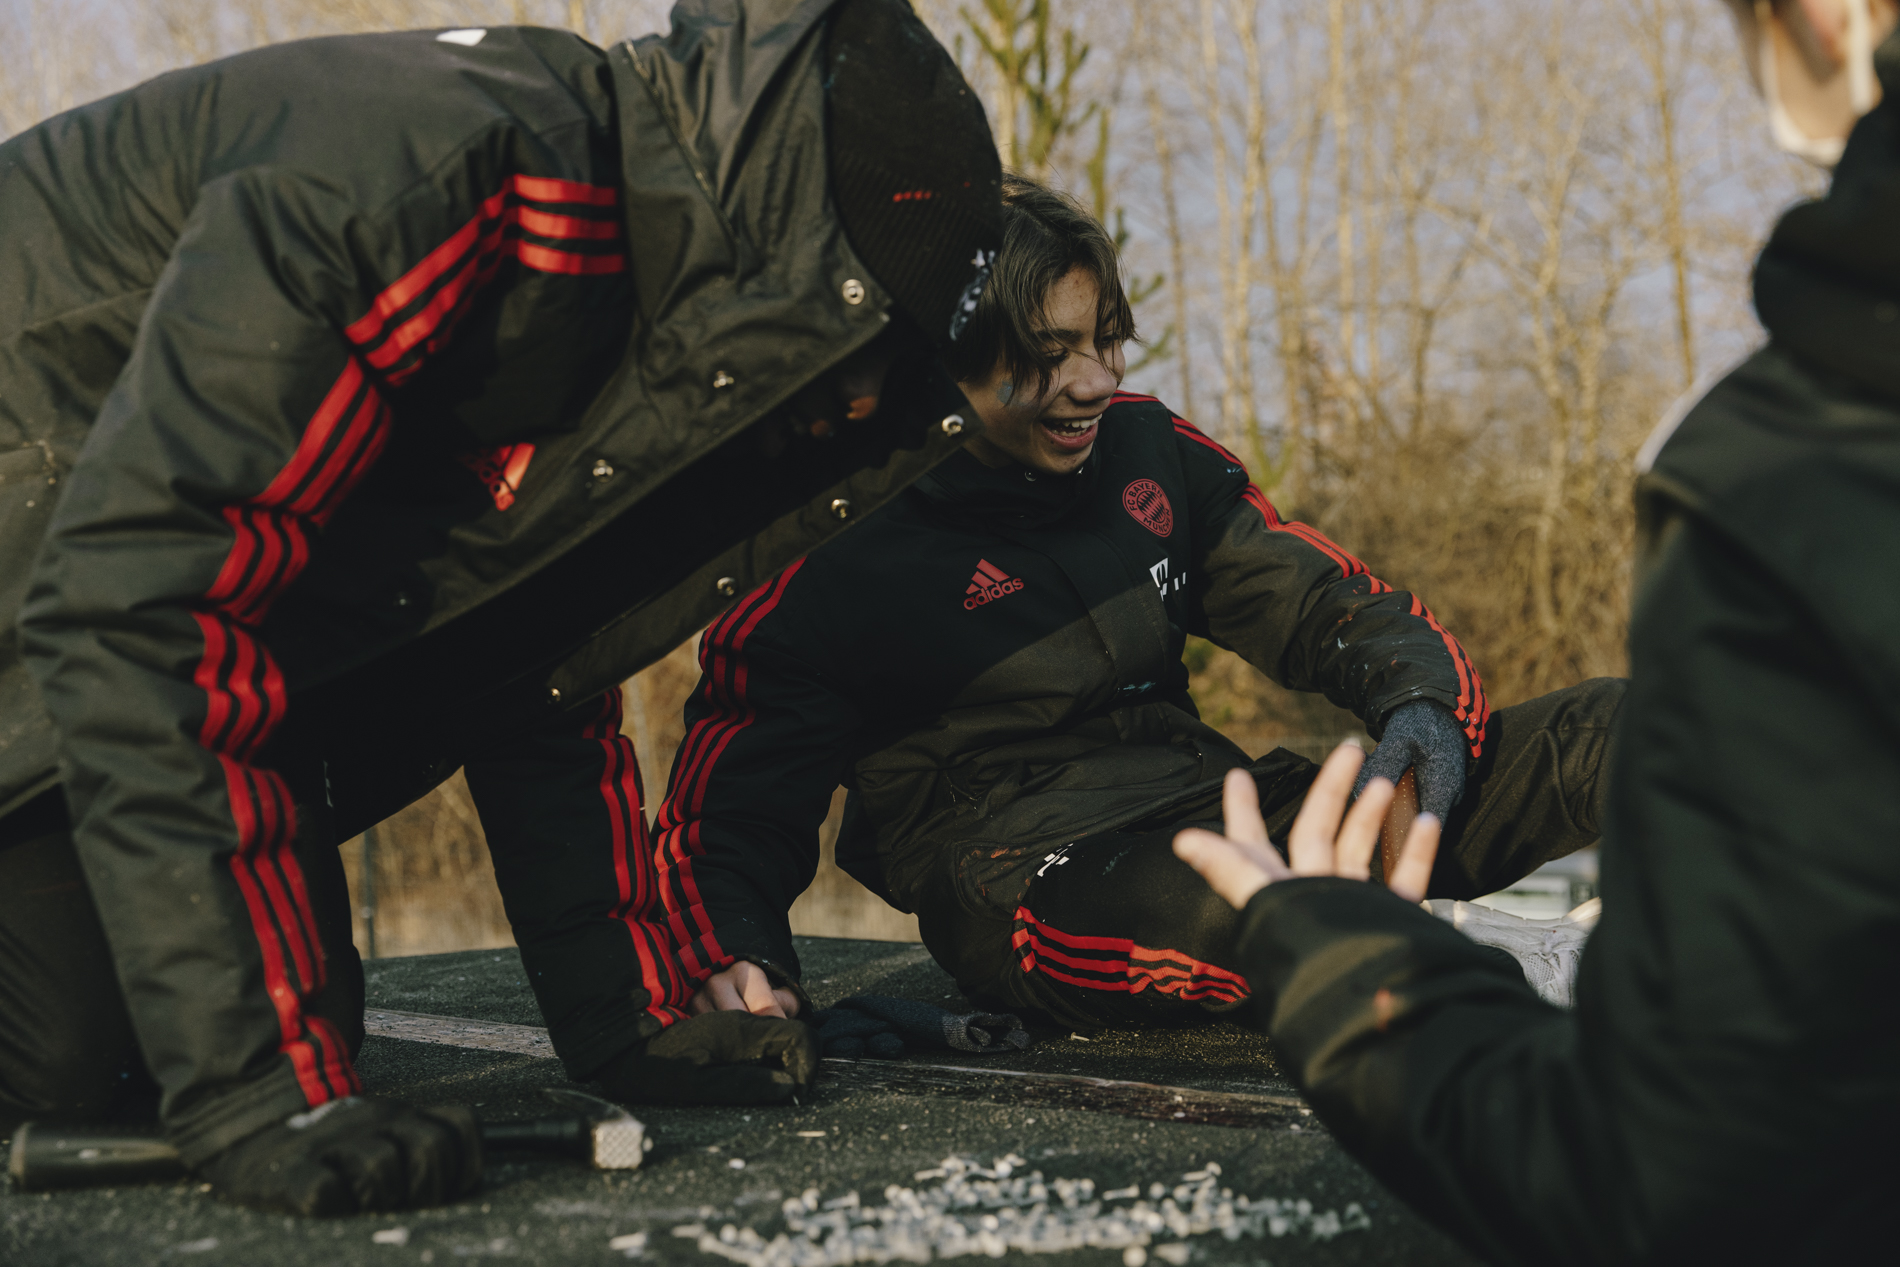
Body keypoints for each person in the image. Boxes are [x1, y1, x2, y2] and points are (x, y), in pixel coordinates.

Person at [0, 0, 1002, 1217]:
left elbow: (528, 658)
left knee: (145, 1047)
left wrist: (630, 1015)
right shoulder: (444, 177)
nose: (859, 409)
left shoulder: (621, 300)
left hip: (61, 646)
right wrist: (264, 1090)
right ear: (797, 258)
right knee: (222, 1053)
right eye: (864, 355)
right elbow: (145, 601)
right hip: (77, 589)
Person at [1172, 0, 1900, 1261]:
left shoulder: (1791, 470)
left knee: (1596, 736)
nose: (1074, 378)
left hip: (1331, 818)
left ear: (1831, 18)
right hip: (1102, 852)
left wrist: (1346, 949)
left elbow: (1664, 1181)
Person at [649, 174, 1624, 1032]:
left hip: (1220, 803)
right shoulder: (832, 535)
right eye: (1052, 351)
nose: (1096, 377)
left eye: (1106, 338)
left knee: (1610, 726)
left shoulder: (1147, 451)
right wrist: (733, 955)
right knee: (1240, 903)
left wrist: (1421, 712)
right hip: (1029, 879)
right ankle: (1508, 966)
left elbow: (1322, 598)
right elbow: (729, 808)